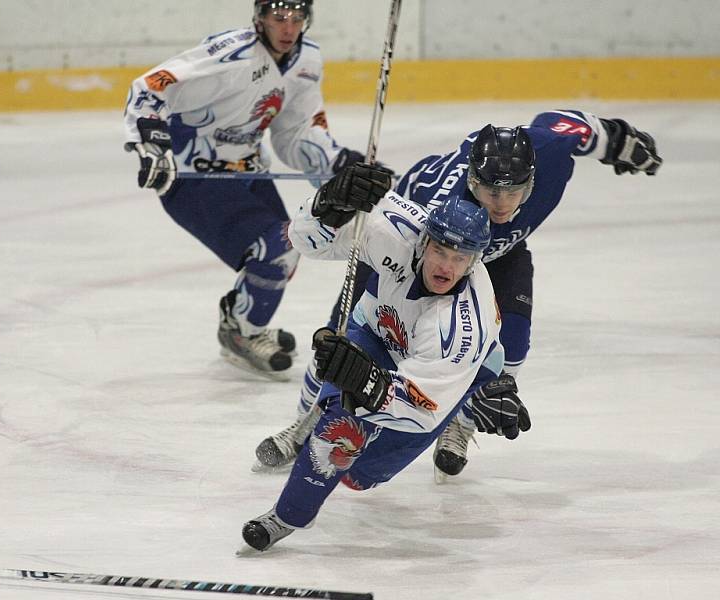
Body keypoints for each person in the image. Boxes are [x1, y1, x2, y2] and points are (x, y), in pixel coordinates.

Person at [254, 109, 661, 476]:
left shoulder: (550, 151)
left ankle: (462, 422)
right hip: (426, 247)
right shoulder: (434, 205)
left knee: (512, 344)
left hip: (497, 256)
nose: (502, 205)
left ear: (531, 180)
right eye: (490, 192)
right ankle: (307, 420)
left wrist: (618, 141)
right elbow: (405, 269)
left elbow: (575, 124)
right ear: (471, 180)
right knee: (349, 333)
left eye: (513, 193)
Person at [241, 164, 531, 551]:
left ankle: (464, 405)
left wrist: (366, 382)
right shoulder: (391, 227)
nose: (446, 266)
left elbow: (421, 409)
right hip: (377, 331)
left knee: (358, 476)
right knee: (341, 430)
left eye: (459, 258)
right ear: (424, 239)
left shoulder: (463, 327)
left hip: (444, 381)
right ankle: (288, 515)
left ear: (476, 260)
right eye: (440, 250)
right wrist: (328, 204)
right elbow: (305, 240)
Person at [123, 0, 371, 379]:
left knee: (291, 247)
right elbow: (151, 85)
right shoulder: (231, 53)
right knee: (278, 248)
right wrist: (152, 144)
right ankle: (244, 332)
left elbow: (297, 132)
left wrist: (339, 164)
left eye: (297, 19)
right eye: (279, 18)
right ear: (260, 19)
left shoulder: (306, 60)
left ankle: (238, 319)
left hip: (249, 171)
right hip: (195, 177)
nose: (288, 28)